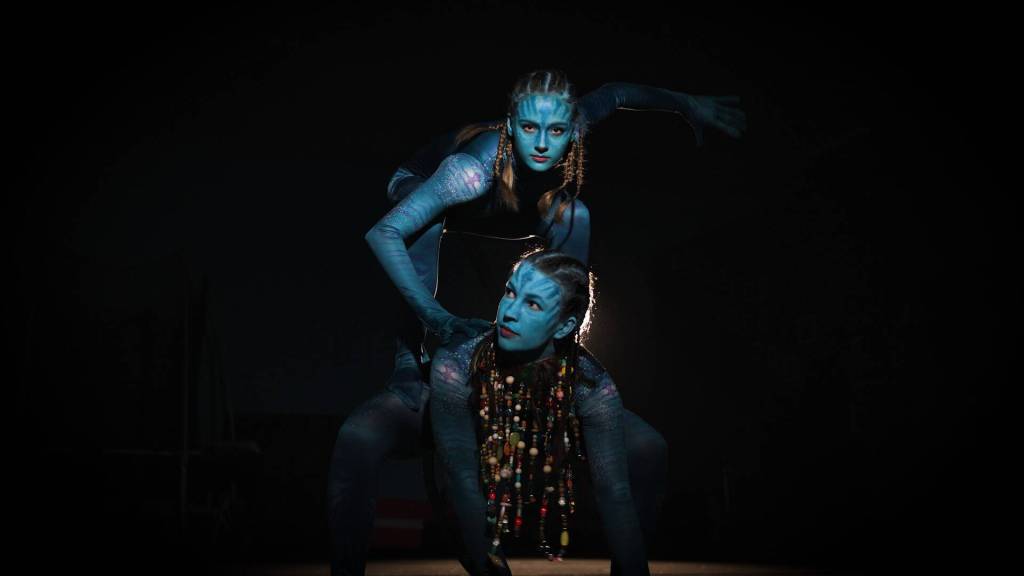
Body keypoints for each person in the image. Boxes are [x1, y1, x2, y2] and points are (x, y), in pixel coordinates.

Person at [328, 69, 745, 576]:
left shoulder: (570, 129)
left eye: (556, 132)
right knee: (421, 218)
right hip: (434, 191)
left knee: (575, 215)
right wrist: (435, 320)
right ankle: (406, 365)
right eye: (529, 130)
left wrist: (688, 104)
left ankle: (556, 347)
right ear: (510, 125)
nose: (544, 145)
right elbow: (385, 233)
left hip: (512, 211)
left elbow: (615, 93)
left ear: (573, 129)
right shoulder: (469, 170)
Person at [431, 250, 647, 576]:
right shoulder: (454, 366)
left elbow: (613, 491)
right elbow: (459, 478)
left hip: (546, 440)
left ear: (565, 326)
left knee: (651, 448)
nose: (509, 312)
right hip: (478, 454)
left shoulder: (592, 385)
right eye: (510, 292)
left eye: (532, 304)